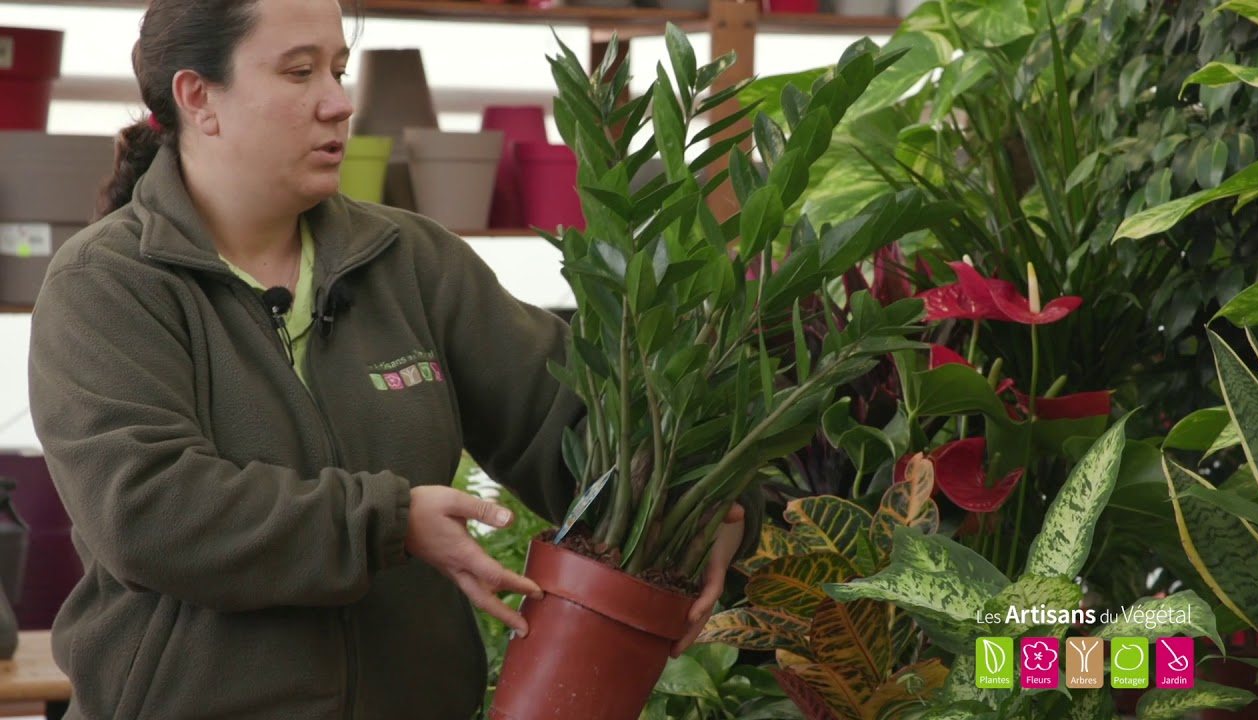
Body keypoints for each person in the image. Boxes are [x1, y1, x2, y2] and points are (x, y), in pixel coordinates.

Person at [25, 0, 746, 717]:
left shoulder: (410, 262)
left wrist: (702, 503)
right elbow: (148, 513)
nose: (339, 104)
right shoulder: (109, 284)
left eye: (339, 70)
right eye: (299, 72)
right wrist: (387, 523)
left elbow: (573, 424)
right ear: (197, 97)